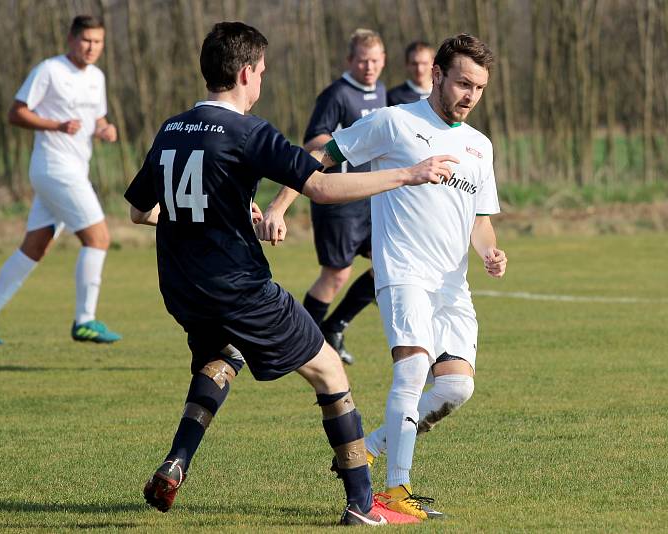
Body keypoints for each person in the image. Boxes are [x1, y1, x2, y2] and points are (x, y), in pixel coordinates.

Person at [125, 22, 455, 526]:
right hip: (240, 288)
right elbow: (320, 187)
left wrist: (232, 214)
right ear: (243, 73)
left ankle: (177, 461)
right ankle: (363, 506)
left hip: (182, 288)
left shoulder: (172, 128)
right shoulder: (248, 131)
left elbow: (141, 212)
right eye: (260, 72)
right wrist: (409, 173)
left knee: (221, 357)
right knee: (330, 373)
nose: (261, 81)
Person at [259, 33, 507, 521]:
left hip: (452, 285)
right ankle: (393, 490)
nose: (470, 96)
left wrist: (490, 251)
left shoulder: (479, 146)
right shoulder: (394, 122)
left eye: (478, 88)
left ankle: (367, 447)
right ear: (436, 75)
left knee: (456, 389)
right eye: (462, 83)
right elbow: (320, 159)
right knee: (413, 370)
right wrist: (279, 204)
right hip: (403, 271)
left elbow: (481, 220)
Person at [0, 15, 120, 345]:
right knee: (99, 238)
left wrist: (105, 128)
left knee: (35, 247)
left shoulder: (97, 77)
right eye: (86, 40)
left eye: (98, 41)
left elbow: (97, 117)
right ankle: (85, 320)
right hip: (54, 167)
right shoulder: (50, 70)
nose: (91, 47)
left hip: (71, 169)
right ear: (71, 39)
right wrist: (55, 126)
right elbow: (16, 112)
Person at [268, 29, 387, 365]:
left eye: (375, 60)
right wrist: (347, 144)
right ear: (350, 60)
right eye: (363, 60)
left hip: (370, 198)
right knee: (335, 275)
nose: (369, 66)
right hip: (339, 202)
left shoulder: (379, 91)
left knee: (386, 263)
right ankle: (296, 340)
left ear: (384, 61)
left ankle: (335, 325)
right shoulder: (336, 94)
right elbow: (313, 142)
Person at [386, 41, 435, 106]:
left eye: (424, 63)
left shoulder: (445, 94)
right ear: (407, 64)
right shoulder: (393, 97)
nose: (419, 69)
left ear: (433, 63)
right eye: (414, 64)